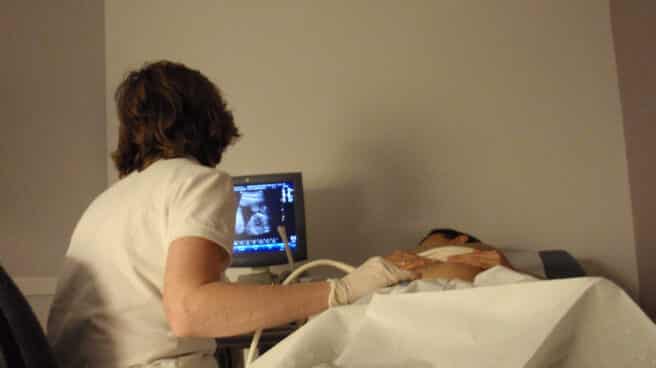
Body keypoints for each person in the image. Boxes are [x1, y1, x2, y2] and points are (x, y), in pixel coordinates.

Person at [46, 61, 416, 368]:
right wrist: (344, 288)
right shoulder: (197, 182)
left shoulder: (106, 203)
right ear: (211, 118)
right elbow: (191, 311)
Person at [384, 228, 514, 282]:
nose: (420, 248)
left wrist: (510, 274)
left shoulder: (490, 255)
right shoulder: (385, 264)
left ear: (460, 240)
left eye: (426, 243)